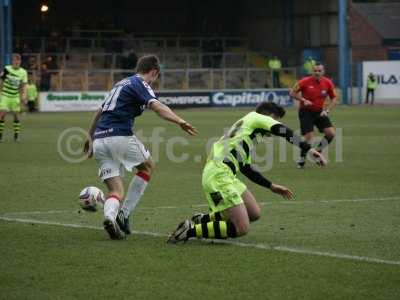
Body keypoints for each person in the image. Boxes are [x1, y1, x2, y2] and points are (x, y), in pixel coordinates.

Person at [167, 102, 326, 243]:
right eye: (276, 118)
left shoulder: (247, 132)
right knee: (241, 228)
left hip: (225, 173)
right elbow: (282, 130)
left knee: (254, 213)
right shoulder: (256, 117)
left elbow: (246, 169)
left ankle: (203, 220)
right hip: (219, 174)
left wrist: (271, 186)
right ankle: (189, 231)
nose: (277, 122)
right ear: (269, 116)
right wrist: (309, 149)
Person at [83, 55, 197, 240]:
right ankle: (124, 214)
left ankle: (110, 217)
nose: (155, 82)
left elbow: (100, 110)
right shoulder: (140, 83)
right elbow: (157, 107)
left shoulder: (121, 83)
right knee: (148, 165)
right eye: (156, 77)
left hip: (99, 140)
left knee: (115, 191)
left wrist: (89, 136)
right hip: (119, 135)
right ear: (154, 72)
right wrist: (179, 121)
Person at [289, 63, 337, 169]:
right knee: (309, 138)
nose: (317, 73)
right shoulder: (305, 81)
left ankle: (317, 152)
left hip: (320, 112)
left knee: (331, 133)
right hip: (306, 112)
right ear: (312, 71)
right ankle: (301, 161)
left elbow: (334, 99)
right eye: (315, 71)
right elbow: (292, 93)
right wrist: (303, 100)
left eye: (319, 71)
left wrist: (327, 110)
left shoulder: (328, 82)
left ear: (323, 72)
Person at [0, 54, 28, 142]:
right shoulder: (7, 69)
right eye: (15, 60)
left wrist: (24, 95)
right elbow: (1, 81)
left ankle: (16, 137)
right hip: (5, 95)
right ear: (12, 61)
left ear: (20, 62)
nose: (16, 62)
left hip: (15, 97)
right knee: (2, 114)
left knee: (16, 116)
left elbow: (24, 85)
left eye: (18, 61)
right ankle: (0, 136)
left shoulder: (23, 72)